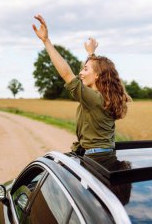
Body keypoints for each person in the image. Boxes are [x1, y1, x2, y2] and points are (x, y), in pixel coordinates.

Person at [32, 15, 130, 155]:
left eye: (85, 69)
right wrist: (91, 54)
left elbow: (67, 74)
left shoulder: (94, 99)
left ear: (97, 75)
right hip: (105, 153)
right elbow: (96, 69)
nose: (80, 73)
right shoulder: (105, 97)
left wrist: (46, 41)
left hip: (94, 155)